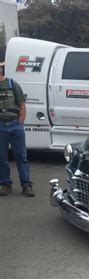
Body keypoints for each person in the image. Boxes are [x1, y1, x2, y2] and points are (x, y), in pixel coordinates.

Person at [0, 61, 34, 197]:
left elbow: (22, 105)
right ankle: (5, 184)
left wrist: (20, 123)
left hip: (15, 125)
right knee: (1, 158)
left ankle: (26, 185)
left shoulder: (12, 84)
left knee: (21, 156)